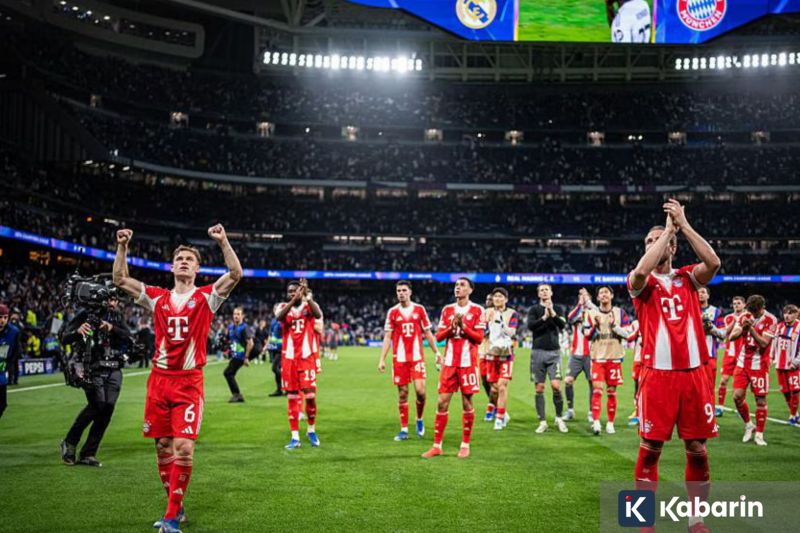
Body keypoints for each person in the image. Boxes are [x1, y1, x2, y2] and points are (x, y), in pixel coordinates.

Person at [112, 224, 242, 533]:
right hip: (158, 381)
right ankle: (177, 506)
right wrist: (122, 247)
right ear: (172, 267)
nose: (184, 261)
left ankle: (170, 517)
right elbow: (119, 279)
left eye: (189, 259)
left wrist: (223, 241)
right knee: (162, 448)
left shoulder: (207, 297)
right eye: (179, 258)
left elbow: (236, 274)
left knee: (184, 447)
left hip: (188, 382)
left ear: (197, 268)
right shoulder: (157, 298)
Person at [628, 199, 720, 533]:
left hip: (695, 375)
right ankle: (642, 522)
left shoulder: (687, 279)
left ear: (674, 247)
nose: (655, 245)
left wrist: (683, 224)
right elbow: (641, 270)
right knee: (650, 448)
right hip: (657, 377)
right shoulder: (641, 284)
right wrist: (665, 231)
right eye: (648, 243)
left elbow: (713, 262)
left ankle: (696, 521)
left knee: (697, 448)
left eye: (661, 241)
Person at [59, 296, 130, 467]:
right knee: (97, 404)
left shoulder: (116, 317)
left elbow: (128, 337)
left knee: (107, 409)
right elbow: (63, 337)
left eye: (116, 300)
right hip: (90, 366)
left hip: (113, 367)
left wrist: (112, 328)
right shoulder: (85, 314)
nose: (113, 303)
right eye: (110, 299)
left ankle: (88, 453)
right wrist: (77, 332)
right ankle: (69, 443)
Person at [422, 278, 484, 459]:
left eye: (462, 285)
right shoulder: (447, 310)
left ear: (470, 290)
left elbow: (479, 339)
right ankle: (436, 446)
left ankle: (465, 444)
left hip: (468, 363)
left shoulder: (477, 310)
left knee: (467, 403)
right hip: (449, 363)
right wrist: (452, 328)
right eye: (456, 285)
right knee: (442, 403)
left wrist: (463, 327)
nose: (458, 288)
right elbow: (440, 337)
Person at [378, 281, 441, 440]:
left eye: (404, 290)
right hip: (399, 359)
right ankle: (404, 429)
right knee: (403, 393)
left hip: (416, 358)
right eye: (398, 290)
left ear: (410, 292)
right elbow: (387, 336)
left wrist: (437, 352)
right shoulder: (392, 312)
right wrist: (382, 359)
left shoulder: (419, 309)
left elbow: (427, 333)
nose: (401, 293)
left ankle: (419, 419)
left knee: (420, 391)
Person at [274, 279, 323, 449]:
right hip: (289, 359)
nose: (293, 293)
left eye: (295, 290)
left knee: (310, 397)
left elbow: (317, 315)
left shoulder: (308, 307)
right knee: (292, 398)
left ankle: (311, 430)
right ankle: (295, 437)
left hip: (306, 357)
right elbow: (279, 318)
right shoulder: (282, 307)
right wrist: (293, 301)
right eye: (290, 291)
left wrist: (307, 297)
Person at [583, 286, 634, 435]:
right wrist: (596, 327)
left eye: (606, 292)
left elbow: (628, 335)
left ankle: (610, 423)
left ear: (611, 296)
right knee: (597, 390)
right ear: (597, 298)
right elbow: (587, 335)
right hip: (598, 358)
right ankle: (597, 422)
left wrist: (614, 326)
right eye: (601, 293)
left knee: (611, 392)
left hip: (614, 357)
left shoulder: (620, 313)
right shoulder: (591, 314)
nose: (603, 295)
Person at [729, 295, 777, 446]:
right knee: (737, 397)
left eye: (755, 313)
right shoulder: (745, 315)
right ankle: (749, 425)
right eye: (751, 312)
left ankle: (760, 435)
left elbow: (763, 343)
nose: (753, 315)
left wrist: (751, 329)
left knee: (760, 400)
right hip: (743, 362)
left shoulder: (771, 320)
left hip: (760, 364)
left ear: (762, 308)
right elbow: (732, 337)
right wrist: (743, 328)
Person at [528, 284, 568, 434]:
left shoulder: (558, 308)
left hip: (554, 353)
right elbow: (531, 326)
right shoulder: (534, 310)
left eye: (546, 289)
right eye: (541, 290)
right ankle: (542, 421)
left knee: (556, 386)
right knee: (539, 388)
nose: (544, 292)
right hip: (537, 352)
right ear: (539, 294)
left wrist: (552, 313)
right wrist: (544, 317)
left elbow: (562, 325)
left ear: (551, 292)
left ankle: (559, 418)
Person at [484, 288, 518, 431]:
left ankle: (499, 418)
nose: (497, 299)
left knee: (502, 386)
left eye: (500, 296)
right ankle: (500, 412)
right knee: (494, 388)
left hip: (506, 355)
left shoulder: (512, 314)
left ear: (506, 299)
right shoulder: (487, 312)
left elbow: (512, 332)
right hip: (491, 354)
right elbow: (482, 331)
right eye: (495, 296)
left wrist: (501, 323)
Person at [564, 288, 595, 422]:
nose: (582, 297)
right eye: (580, 295)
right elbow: (570, 318)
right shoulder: (576, 312)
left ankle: (591, 412)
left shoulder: (594, 313)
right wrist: (580, 304)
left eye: (585, 296)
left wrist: (586, 304)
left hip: (591, 354)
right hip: (576, 354)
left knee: (592, 383)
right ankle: (570, 410)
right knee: (568, 381)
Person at [717, 296, 746, 415]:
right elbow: (725, 334)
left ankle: (741, 407)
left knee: (740, 383)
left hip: (743, 355)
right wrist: (734, 322)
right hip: (729, 354)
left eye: (738, 303)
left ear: (744, 305)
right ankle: (720, 407)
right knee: (723, 381)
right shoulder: (728, 318)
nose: (736, 305)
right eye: (734, 304)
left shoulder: (748, 317)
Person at [772, 304, 800, 425]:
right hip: (780, 364)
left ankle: (793, 415)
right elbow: (774, 343)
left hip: (793, 365)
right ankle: (794, 413)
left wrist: (797, 361)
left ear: (796, 314)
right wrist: (771, 357)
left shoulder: (799, 327)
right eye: (785, 313)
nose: (787, 316)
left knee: (795, 390)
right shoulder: (779, 327)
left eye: (790, 313)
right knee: (785, 391)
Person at [698, 287, 726, 406]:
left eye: (703, 292)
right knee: (692, 389)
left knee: (709, 388)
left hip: (709, 356)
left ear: (708, 296)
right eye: (698, 292)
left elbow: (722, 334)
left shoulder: (716, 312)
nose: (700, 294)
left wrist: (710, 328)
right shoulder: (689, 309)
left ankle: (711, 422)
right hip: (691, 357)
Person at [223, 307, 252, 403]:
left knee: (228, 373)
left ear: (242, 316)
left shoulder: (244, 327)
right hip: (235, 355)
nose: (236, 316)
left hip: (241, 355)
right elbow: (229, 341)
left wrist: (246, 357)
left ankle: (237, 395)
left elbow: (250, 343)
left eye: (238, 314)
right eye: (235, 314)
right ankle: (237, 395)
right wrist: (227, 351)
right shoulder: (230, 327)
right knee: (229, 373)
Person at [0, 304, 22, 419]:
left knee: (2, 405)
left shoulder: (14, 332)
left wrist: (9, 362)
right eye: (0, 317)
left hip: (1, 373)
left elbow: (16, 349)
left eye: (5, 317)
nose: (2, 320)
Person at [480, 294, 495, 422]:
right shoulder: (482, 313)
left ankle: (492, 408)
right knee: (484, 380)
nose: (488, 301)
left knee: (493, 382)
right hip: (482, 351)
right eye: (487, 299)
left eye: (490, 299)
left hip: (495, 351)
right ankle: (494, 404)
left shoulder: (499, 314)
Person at [264, 309, 283, 397]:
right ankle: (280, 389)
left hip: (282, 349)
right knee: (278, 368)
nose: (277, 311)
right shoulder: (273, 321)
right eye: (275, 309)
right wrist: (266, 346)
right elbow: (270, 335)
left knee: (275, 368)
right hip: (274, 348)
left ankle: (282, 388)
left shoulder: (284, 320)